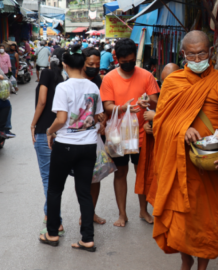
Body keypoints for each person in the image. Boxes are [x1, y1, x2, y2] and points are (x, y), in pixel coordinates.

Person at [151, 31, 218, 270]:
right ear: (182, 54)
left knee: (207, 218)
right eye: (191, 54)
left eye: (201, 53)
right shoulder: (173, 82)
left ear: (211, 52)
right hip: (180, 162)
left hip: (210, 163)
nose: (196, 59)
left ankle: (202, 266)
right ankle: (185, 260)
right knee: (181, 215)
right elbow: (160, 122)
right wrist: (182, 129)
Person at [39, 44, 105, 252]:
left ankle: (51, 234)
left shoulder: (63, 87)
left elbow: (61, 119)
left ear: (65, 65)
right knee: (84, 192)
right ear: (83, 65)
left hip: (66, 144)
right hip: (88, 146)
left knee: (55, 190)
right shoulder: (93, 87)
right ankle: (87, 238)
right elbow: (96, 116)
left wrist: (50, 131)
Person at [100, 38, 160, 227]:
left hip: (142, 134)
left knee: (141, 173)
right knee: (121, 173)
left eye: (131, 61)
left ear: (136, 57)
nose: (128, 64)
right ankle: (122, 214)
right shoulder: (109, 78)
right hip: (118, 137)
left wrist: (146, 102)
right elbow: (108, 107)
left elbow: (156, 101)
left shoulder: (146, 76)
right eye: (124, 61)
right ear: (117, 58)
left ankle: (144, 211)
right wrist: (126, 107)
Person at [31, 48, 65, 235]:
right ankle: (50, 216)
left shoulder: (46, 73)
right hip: (59, 133)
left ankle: (55, 220)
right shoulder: (62, 78)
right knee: (54, 180)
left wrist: (33, 123)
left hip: (45, 132)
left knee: (48, 179)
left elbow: (42, 101)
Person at [135, 63, 179, 207]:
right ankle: (151, 209)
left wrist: (156, 118)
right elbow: (160, 115)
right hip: (159, 145)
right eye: (163, 81)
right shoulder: (164, 94)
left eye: (170, 80)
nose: (166, 84)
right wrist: (149, 126)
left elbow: (181, 122)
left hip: (176, 149)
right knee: (153, 176)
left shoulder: (185, 93)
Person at [80, 47, 106, 225]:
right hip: (77, 137)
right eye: (90, 64)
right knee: (82, 179)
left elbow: (104, 106)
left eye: (97, 64)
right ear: (82, 63)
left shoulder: (101, 81)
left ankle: (89, 214)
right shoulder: (74, 80)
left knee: (95, 177)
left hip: (96, 135)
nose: (94, 67)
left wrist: (103, 122)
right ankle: (86, 213)